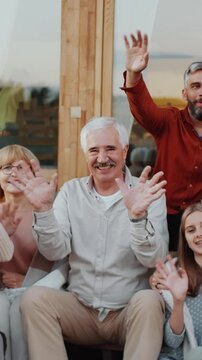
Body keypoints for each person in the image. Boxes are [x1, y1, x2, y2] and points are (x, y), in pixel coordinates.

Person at [11, 116, 169, 360]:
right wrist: (43, 211)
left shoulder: (147, 194)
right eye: (94, 150)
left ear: (125, 150)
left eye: (110, 149)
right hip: (80, 310)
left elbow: (154, 259)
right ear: (86, 154)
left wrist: (137, 216)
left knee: (149, 301)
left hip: (128, 314)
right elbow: (55, 252)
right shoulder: (70, 192)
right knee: (34, 299)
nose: (102, 158)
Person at [122, 30, 202, 252]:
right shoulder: (169, 121)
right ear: (184, 93)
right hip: (161, 216)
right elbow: (143, 109)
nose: (201, 93)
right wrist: (133, 74)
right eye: (196, 86)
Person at [0, 144, 56, 360]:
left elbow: (62, 265)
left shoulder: (46, 214)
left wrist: (27, 281)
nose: (13, 173)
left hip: (36, 291)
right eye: (6, 167)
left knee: (19, 312)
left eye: (21, 167)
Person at [152, 203, 202, 360]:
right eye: (191, 230)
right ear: (185, 238)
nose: (198, 234)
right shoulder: (175, 273)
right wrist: (178, 302)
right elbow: (173, 342)